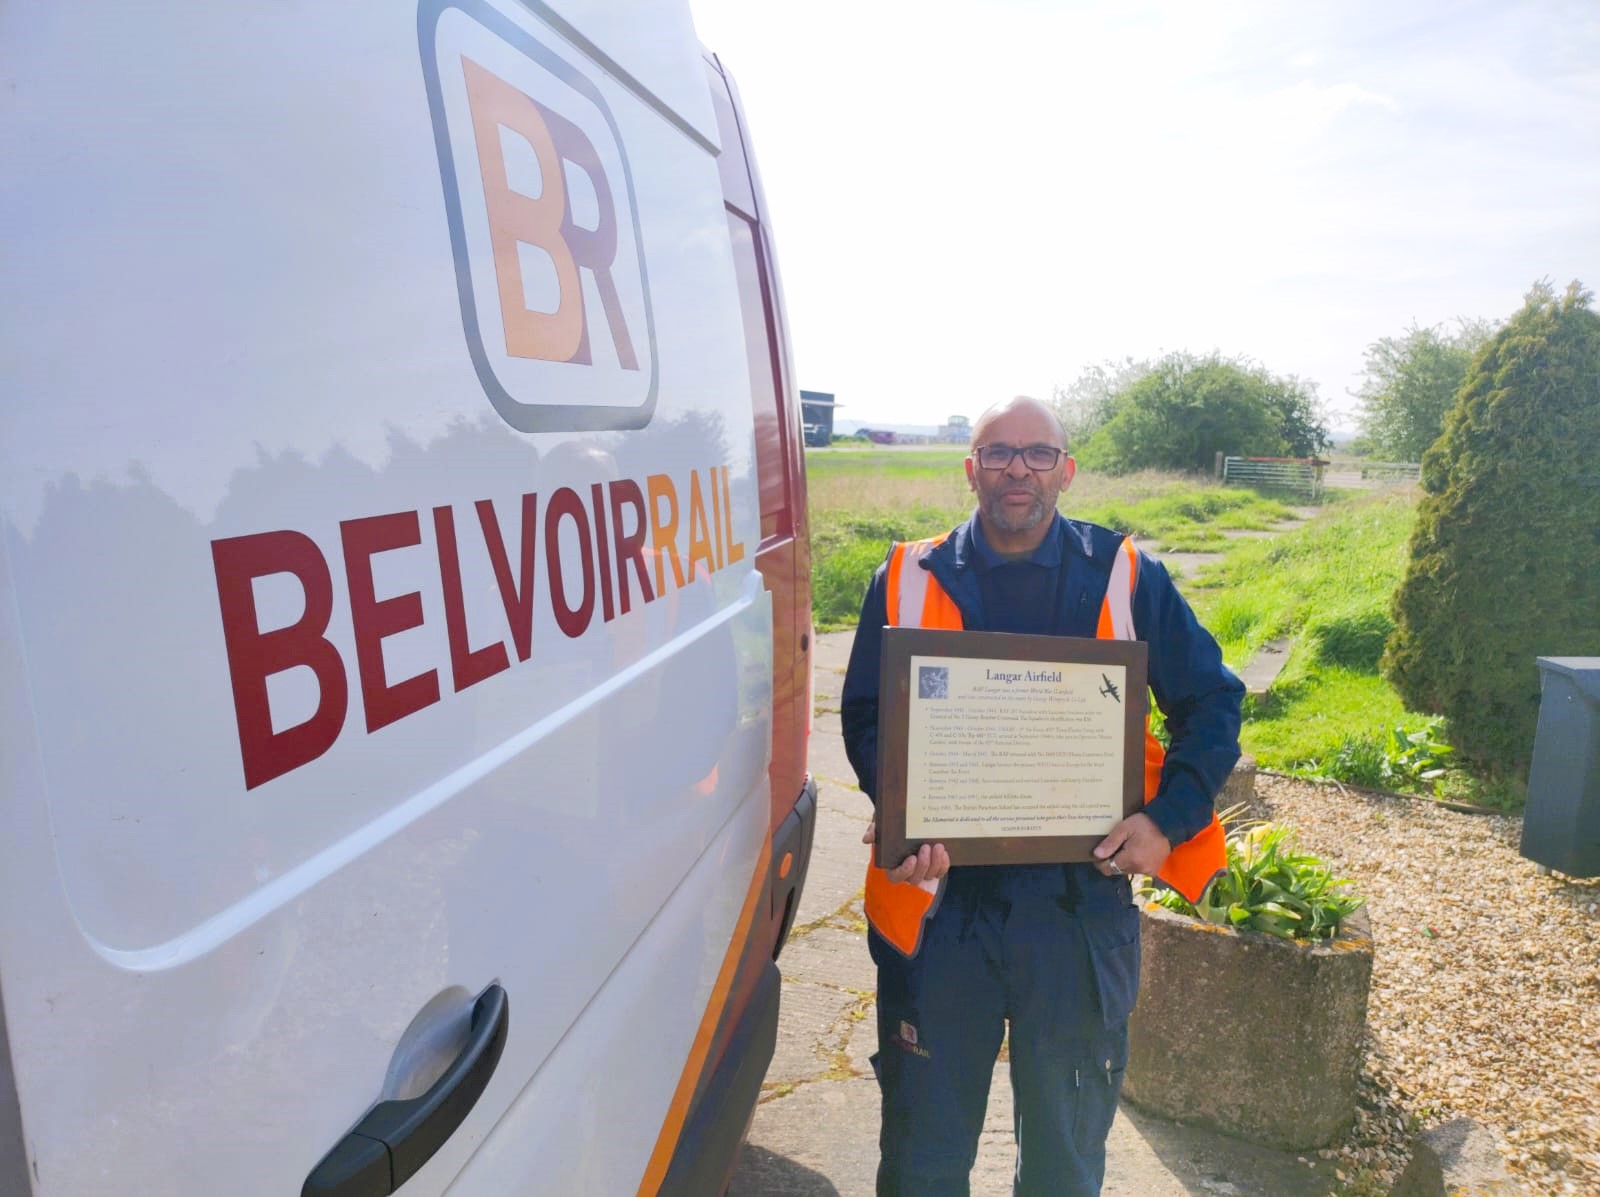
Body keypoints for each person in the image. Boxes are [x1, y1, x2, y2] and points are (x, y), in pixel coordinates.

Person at [841, 396, 1243, 1197]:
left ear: (1066, 469)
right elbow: (865, 713)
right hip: (939, 904)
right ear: (970, 469)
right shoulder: (904, 575)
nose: (1016, 469)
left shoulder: (1126, 573)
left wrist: (1167, 823)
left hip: (1077, 912)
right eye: (997, 453)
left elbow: (1213, 704)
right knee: (922, 1160)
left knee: (1063, 1164)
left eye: (1036, 453)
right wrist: (902, 799)